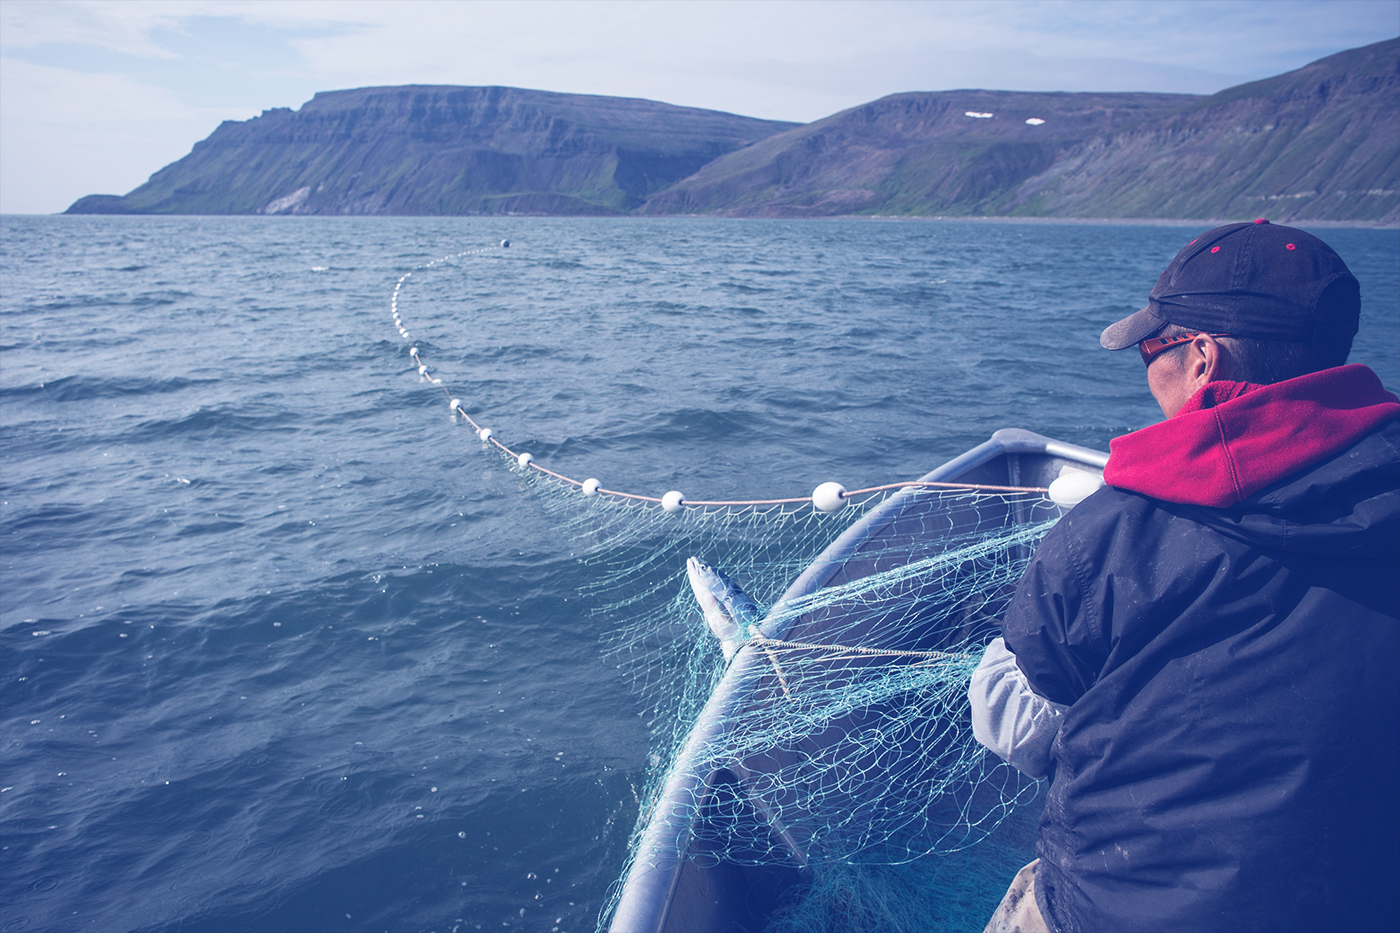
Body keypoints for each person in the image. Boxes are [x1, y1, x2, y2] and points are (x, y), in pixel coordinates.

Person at [969, 219, 1400, 933]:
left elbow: (1012, 728)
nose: (1146, 369)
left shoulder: (1110, 532)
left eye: (1150, 347)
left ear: (1201, 358)